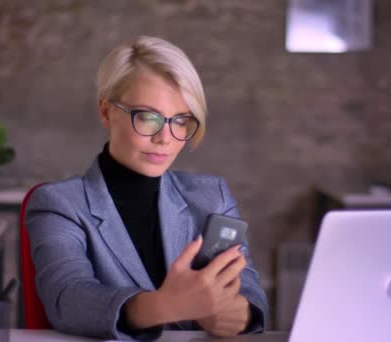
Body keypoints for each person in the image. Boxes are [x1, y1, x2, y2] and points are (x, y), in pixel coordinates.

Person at [25, 36, 268, 340]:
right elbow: (68, 298)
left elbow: (247, 287)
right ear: (105, 111)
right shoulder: (59, 203)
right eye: (148, 117)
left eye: (180, 121)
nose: (165, 138)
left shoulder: (212, 196)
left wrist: (234, 315)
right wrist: (163, 307)